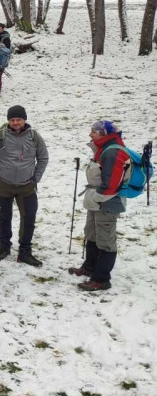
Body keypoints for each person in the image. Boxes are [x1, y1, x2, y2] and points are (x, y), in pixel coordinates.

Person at [69, 121, 129, 292]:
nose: (90, 135)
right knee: (92, 233)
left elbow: (112, 183)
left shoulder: (113, 152)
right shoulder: (105, 148)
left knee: (106, 241)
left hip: (107, 203)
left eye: (93, 132)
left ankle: (101, 279)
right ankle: (89, 267)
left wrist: (97, 198)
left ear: (103, 133)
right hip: (97, 201)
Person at [0, 105, 48, 266]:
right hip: (4, 185)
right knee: (4, 218)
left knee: (29, 218)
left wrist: (36, 178)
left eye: (18, 119)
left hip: (27, 186)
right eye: (12, 120)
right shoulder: (0, 136)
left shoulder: (34, 137)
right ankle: (4, 247)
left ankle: (25, 251)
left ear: (24, 120)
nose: (15, 122)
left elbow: (43, 158)